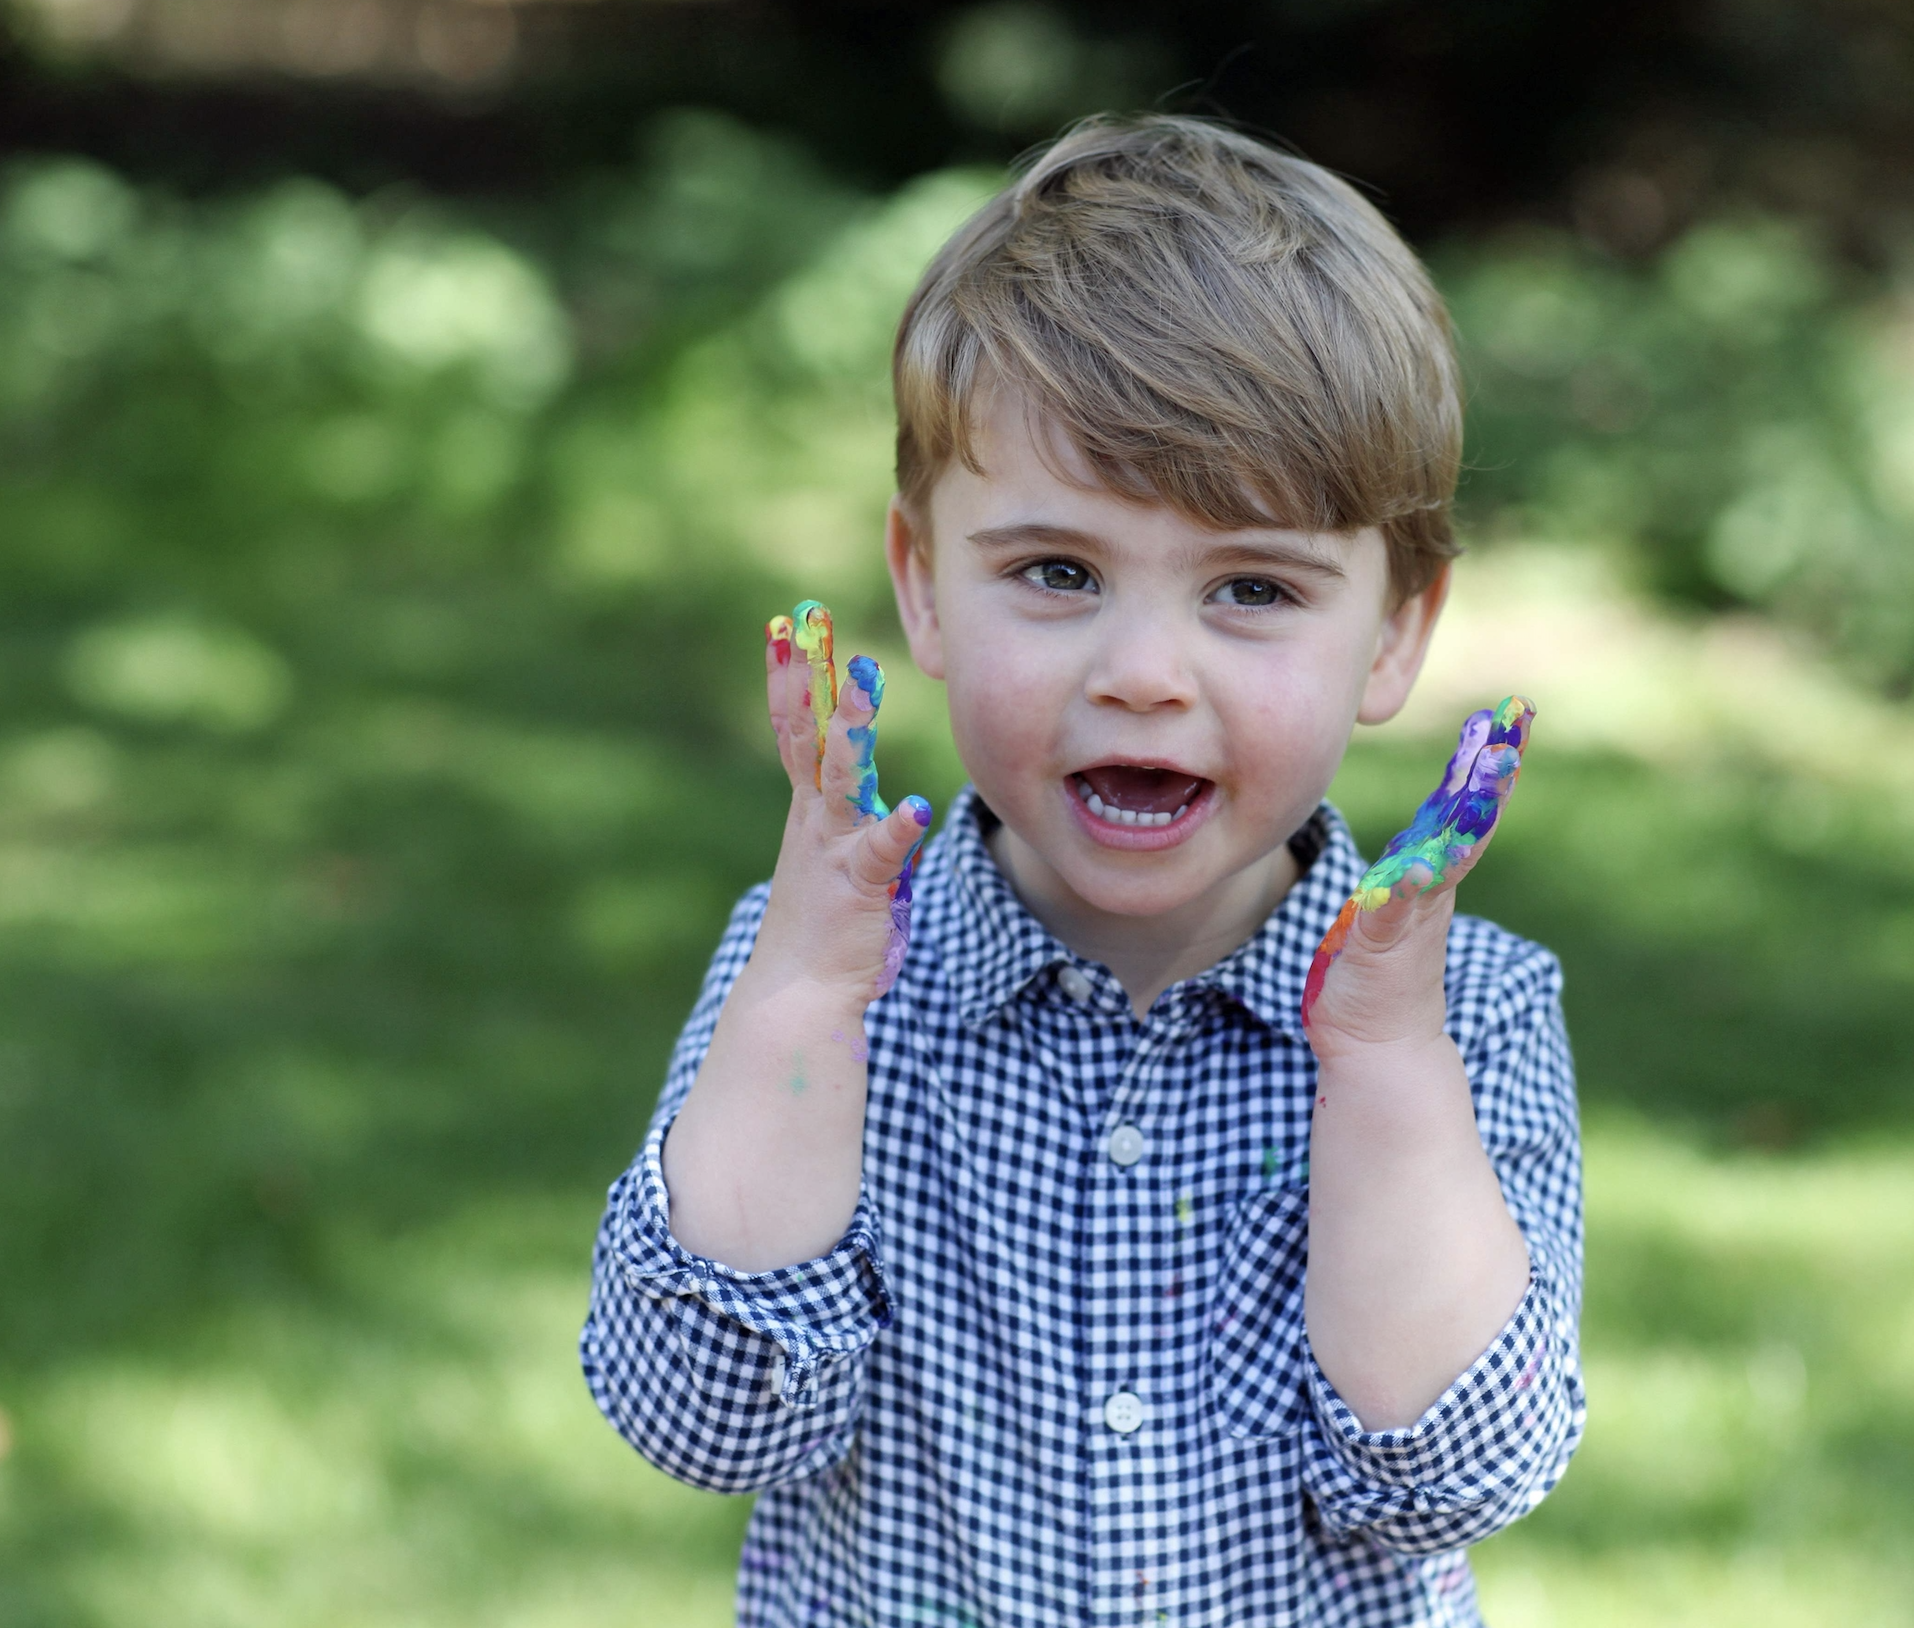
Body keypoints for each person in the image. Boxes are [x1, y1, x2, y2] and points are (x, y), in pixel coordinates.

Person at [580, 114, 1584, 1627]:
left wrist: (1379, 1061)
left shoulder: (1475, 1017)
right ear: (920, 585)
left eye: (1251, 588)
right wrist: (794, 1005)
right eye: (1056, 573)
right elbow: (703, 1424)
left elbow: (1452, 1476)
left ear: (1392, 633)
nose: (1139, 673)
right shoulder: (826, 973)